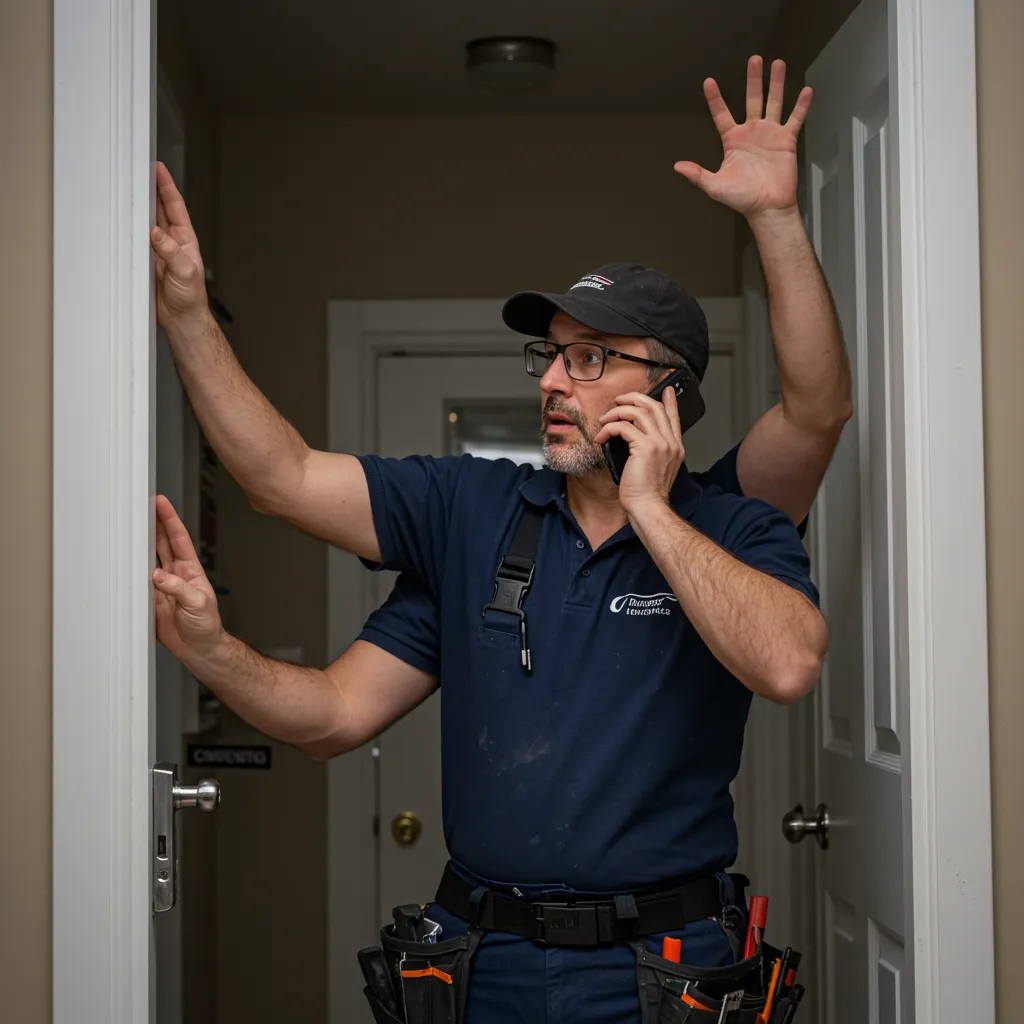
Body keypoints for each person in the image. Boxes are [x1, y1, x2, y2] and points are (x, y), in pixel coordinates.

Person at [151, 57, 846, 1024]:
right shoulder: (474, 515)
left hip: (662, 971)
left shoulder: (733, 519)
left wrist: (650, 505)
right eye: (550, 356)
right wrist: (212, 650)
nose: (554, 382)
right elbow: (323, 671)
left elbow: (787, 658)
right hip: (482, 961)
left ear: (669, 393)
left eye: (591, 358)